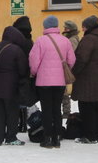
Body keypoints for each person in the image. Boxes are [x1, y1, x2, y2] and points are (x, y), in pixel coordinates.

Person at [29, 16, 76, 148]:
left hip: (44, 82)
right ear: (56, 26)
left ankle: (47, 138)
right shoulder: (65, 41)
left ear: (45, 27)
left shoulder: (40, 41)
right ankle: (57, 138)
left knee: (46, 110)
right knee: (56, 109)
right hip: (60, 82)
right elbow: (71, 60)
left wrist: (34, 72)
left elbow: (34, 61)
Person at [71, 15, 98, 144]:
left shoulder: (89, 39)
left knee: (86, 106)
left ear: (88, 27)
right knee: (96, 106)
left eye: (84, 26)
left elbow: (81, 59)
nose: (82, 29)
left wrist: (73, 72)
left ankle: (89, 135)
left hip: (88, 78)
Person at [0, 26, 30, 146]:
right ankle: (11, 137)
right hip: (11, 86)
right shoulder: (16, 50)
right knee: (12, 112)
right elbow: (23, 70)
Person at [61, 20, 80, 120]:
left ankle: (66, 111)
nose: (64, 30)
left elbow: (70, 54)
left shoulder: (72, 40)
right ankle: (65, 111)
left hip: (67, 68)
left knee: (63, 91)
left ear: (70, 29)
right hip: (67, 67)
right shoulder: (71, 38)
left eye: (65, 28)